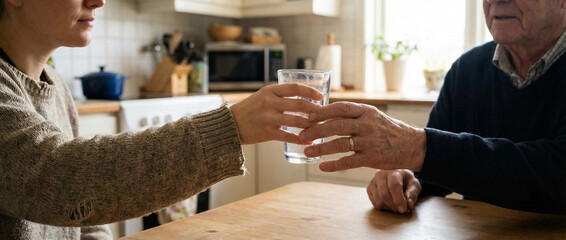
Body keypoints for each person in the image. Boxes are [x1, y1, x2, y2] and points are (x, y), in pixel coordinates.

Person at [0, 0, 323, 239]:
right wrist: (229, 128)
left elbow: (86, 218)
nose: (98, 2)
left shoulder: (55, 85)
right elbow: (65, 179)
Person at [299, 0, 566, 215]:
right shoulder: (467, 70)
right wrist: (405, 177)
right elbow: (436, 169)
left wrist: (418, 148)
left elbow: (556, 172)